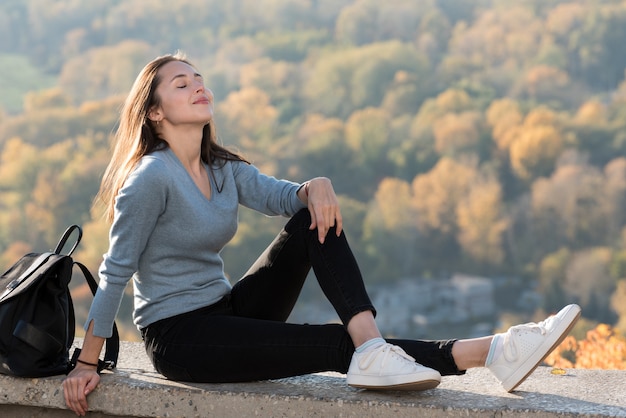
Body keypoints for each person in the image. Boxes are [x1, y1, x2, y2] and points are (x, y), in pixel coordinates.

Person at [62, 53, 581, 416]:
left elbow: (284, 197)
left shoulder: (221, 168)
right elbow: (114, 273)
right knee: (340, 344)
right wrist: (88, 362)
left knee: (317, 216)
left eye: (199, 77)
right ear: (154, 112)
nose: (200, 85)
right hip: (180, 338)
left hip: (228, 313)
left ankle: (421, 350)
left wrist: (317, 186)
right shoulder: (150, 177)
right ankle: (491, 350)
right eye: (181, 83)